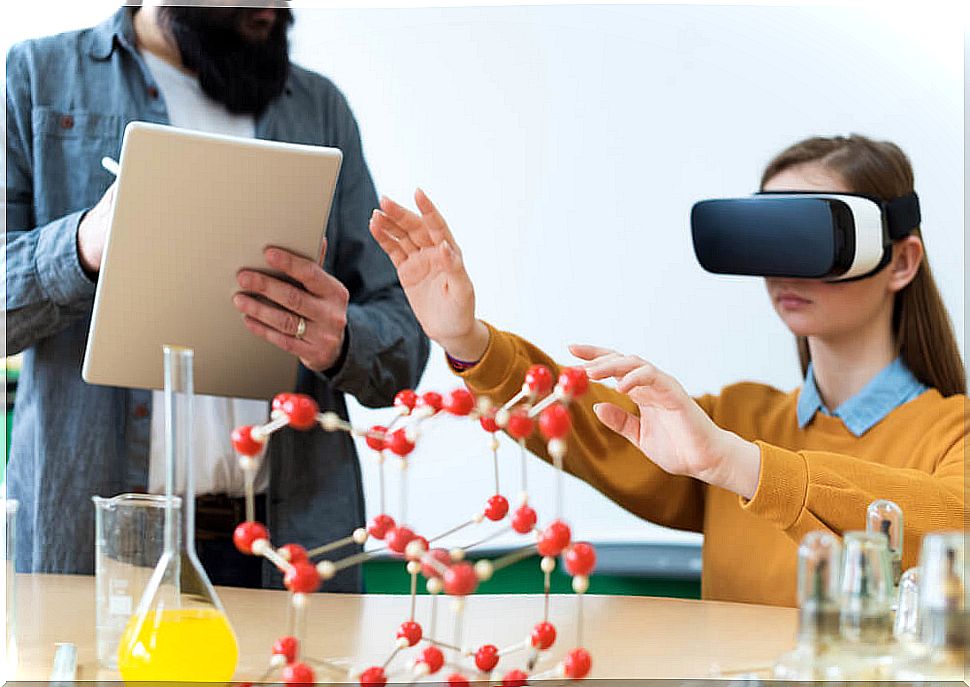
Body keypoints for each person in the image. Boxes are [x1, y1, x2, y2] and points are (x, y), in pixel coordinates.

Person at [368, 135, 966, 607]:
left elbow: (949, 529)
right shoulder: (739, 417)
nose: (783, 270)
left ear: (901, 262)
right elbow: (593, 426)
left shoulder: (952, 432)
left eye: (808, 236)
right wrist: (466, 339)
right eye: (767, 237)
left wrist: (738, 463)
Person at [5, 4, 429, 591]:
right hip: (90, 548)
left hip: (283, 552)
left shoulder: (318, 106)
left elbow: (402, 346)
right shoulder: (34, 76)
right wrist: (80, 246)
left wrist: (343, 339)